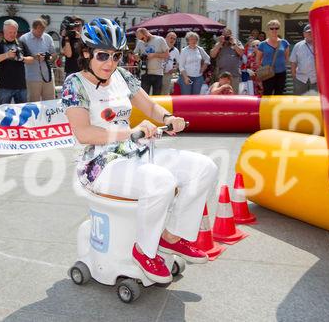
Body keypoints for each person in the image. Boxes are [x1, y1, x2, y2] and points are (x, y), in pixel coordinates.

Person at [62, 18, 217, 284]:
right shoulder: (74, 84)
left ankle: (171, 238)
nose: (110, 63)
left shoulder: (122, 76)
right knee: (161, 181)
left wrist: (168, 118)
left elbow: (151, 107)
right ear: (86, 53)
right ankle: (144, 251)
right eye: (102, 55)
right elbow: (84, 133)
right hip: (99, 164)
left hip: (136, 150)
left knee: (204, 168)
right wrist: (130, 132)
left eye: (116, 56)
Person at [0, 19, 34, 104]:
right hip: (5, 85)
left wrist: (22, 58)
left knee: (23, 111)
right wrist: (6, 55)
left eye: (14, 32)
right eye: (10, 32)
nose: (12, 34)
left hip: (21, 85)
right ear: (4, 31)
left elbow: (31, 59)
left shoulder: (21, 43)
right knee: (4, 112)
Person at [20, 19, 58, 102]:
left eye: (43, 30)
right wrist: (35, 57)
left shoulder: (48, 37)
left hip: (48, 77)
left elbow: (54, 54)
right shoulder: (24, 39)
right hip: (32, 77)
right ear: (33, 28)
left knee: (50, 102)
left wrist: (49, 58)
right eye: (39, 31)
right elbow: (21, 58)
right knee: (33, 103)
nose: (41, 33)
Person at [256, 20, 290, 95]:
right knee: (267, 94)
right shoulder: (262, 44)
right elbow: (258, 61)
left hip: (281, 73)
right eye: (272, 28)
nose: (274, 30)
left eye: (276, 28)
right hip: (267, 74)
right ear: (268, 30)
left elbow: (286, 58)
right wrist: (261, 74)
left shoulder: (284, 43)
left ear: (279, 29)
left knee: (279, 94)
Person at [134, 28, 169, 95]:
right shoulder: (140, 42)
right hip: (145, 73)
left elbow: (167, 55)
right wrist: (137, 56)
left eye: (142, 38)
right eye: (140, 39)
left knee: (157, 96)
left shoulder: (160, 40)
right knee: (144, 97)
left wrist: (154, 55)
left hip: (158, 73)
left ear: (146, 34)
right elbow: (135, 54)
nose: (142, 41)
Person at [210, 28, 244, 94]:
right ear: (222, 35)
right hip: (221, 75)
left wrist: (234, 44)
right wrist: (220, 43)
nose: (226, 37)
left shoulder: (236, 42)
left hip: (234, 74)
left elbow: (241, 53)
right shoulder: (219, 43)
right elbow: (212, 55)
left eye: (228, 35)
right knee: (221, 95)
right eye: (225, 35)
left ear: (231, 35)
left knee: (234, 94)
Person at [290, 24, 317, 95]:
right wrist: (294, 77)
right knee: (299, 102)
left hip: (315, 79)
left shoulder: (319, 45)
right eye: (308, 32)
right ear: (304, 34)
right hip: (300, 79)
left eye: (312, 32)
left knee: (314, 102)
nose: (310, 34)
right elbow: (293, 62)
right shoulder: (298, 46)